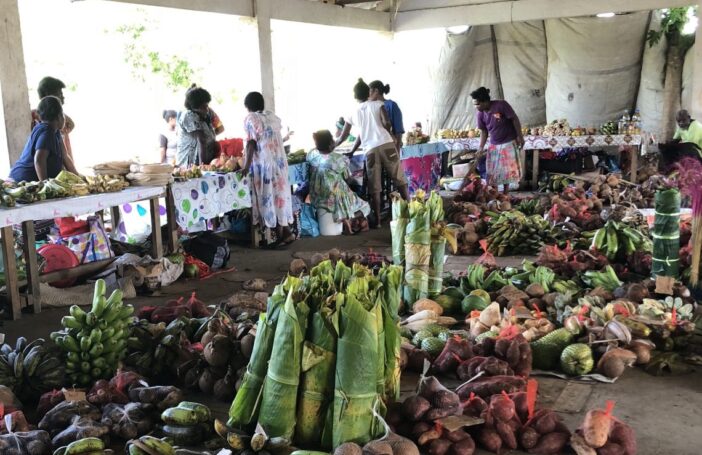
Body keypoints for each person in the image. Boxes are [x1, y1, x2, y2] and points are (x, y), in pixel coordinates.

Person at [335, 78, 409, 228]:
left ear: (355, 95)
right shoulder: (378, 104)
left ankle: (379, 221)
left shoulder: (352, 112)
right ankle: (410, 212)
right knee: (399, 179)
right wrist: (390, 133)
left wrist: (334, 147)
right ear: (368, 92)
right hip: (387, 145)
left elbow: (344, 136)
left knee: (375, 187)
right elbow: (387, 123)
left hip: (370, 150)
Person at [240, 91, 295, 247]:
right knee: (280, 196)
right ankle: (286, 233)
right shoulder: (272, 117)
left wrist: (246, 165)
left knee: (269, 196)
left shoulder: (251, 118)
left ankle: (280, 235)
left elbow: (251, 143)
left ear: (247, 106)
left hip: (266, 164)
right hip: (280, 162)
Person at [307, 130, 370, 235]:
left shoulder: (313, 157)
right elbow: (347, 178)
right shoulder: (339, 159)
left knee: (341, 194)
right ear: (331, 143)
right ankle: (348, 218)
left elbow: (312, 152)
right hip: (338, 197)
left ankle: (346, 219)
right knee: (366, 206)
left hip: (319, 197)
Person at [11, 96, 78, 182]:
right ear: (59, 116)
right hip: (23, 180)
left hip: (25, 178)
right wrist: (45, 184)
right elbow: (39, 160)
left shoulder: (55, 131)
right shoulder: (47, 133)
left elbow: (65, 157)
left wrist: (78, 178)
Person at [472, 87, 524, 194]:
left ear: (485, 101)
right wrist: (480, 147)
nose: (476, 106)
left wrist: (520, 136)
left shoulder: (501, 105)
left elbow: (514, 119)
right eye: (474, 104)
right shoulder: (480, 114)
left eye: (477, 104)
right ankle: (494, 193)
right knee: (492, 171)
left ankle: (506, 193)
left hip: (508, 142)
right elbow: (484, 132)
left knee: (507, 171)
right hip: (494, 144)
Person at [31, 76, 77, 170]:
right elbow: (39, 159)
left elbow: (65, 155)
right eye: (60, 93)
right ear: (48, 95)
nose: (63, 97)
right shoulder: (43, 122)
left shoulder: (57, 118)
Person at [176, 87, 218, 166]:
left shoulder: (204, 116)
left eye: (207, 105)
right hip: (189, 166)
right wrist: (203, 167)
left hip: (204, 163)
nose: (207, 109)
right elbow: (201, 140)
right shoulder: (188, 115)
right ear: (195, 107)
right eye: (204, 107)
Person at [369, 80, 405, 153]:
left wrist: (397, 153)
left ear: (376, 91)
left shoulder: (391, 105)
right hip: (374, 149)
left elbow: (398, 132)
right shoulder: (369, 107)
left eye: (369, 91)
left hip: (390, 148)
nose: (368, 95)